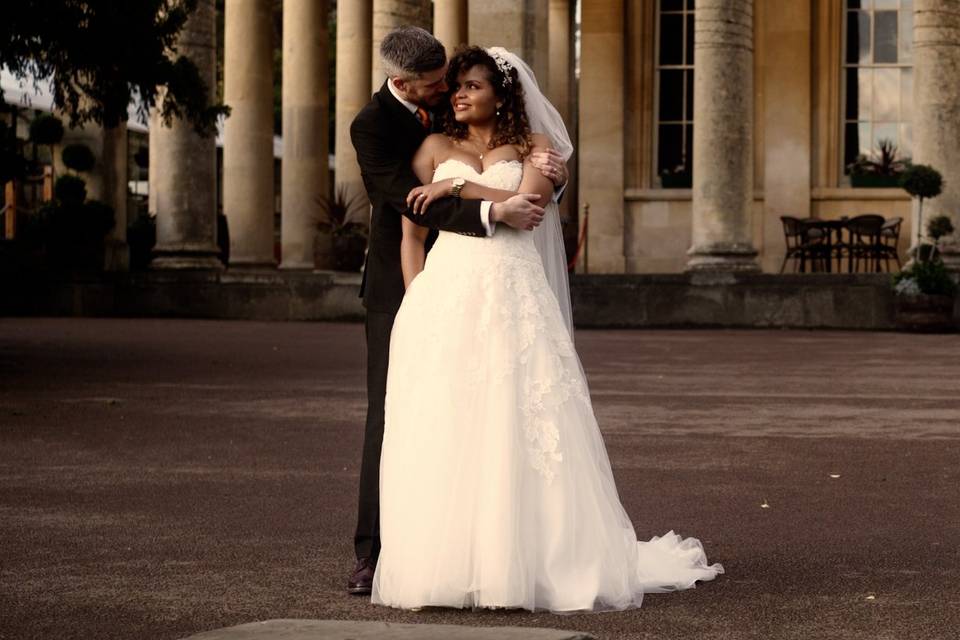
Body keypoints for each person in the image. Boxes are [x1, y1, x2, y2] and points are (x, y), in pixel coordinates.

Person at [371, 46, 724, 613]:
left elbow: (528, 205)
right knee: (449, 421)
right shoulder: (433, 149)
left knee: (523, 416)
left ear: (500, 93)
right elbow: (412, 234)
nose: (460, 94)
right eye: (456, 86)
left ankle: (534, 560)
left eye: (474, 86)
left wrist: (457, 189)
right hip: (445, 296)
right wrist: (416, 302)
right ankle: (452, 564)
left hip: (515, 293)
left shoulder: (536, 150)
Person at [347, 26, 569, 596]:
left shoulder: (512, 135)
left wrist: (543, 183)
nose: (449, 90)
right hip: (414, 287)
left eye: (459, 81)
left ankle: (508, 547)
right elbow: (408, 207)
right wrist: (488, 207)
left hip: (506, 282)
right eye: (439, 83)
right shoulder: (373, 126)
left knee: (507, 408)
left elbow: (538, 190)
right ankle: (376, 554)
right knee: (395, 415)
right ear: (402, 83)